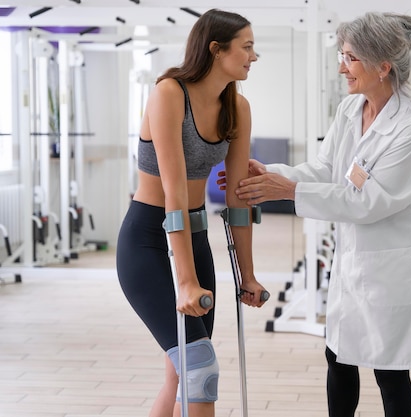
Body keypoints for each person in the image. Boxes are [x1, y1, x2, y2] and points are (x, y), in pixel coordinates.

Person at [225, 11, 411, 417]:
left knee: (390, 374)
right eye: (342, 55)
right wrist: (269, 175)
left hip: (391, 263)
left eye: (350, 58)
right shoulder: (350, 109)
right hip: (353, 260)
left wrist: (286, 191)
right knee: (338, 357)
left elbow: (367, 201)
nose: (341, 67)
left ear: (383, 66)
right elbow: (326, 170)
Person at [116, 9, 268, 417]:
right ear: (216, 50)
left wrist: (247, 274)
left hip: (195, 239)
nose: (254, 56)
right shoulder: (169, 93)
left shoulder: (238, 108)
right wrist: (185, 281)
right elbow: (174, 195)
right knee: (200, 369)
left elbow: (237, 199)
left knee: (182, 373)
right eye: (247, 47)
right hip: (148, 240)